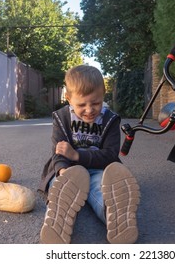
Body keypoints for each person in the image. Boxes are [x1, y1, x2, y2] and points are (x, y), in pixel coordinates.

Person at [38, 65, 140, 244]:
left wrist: (77, 155)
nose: (89, 109)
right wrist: (63, 172)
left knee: (101, 191)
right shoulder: (62, 118)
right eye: (81, 104)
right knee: (59, 187)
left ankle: (116, 216)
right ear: (69, 99)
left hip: (99, 169)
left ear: (103, 94)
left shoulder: (110, 119)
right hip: (70, 170)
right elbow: (59, 152)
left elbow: (110, 154)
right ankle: (56, 220)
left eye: (96, 103)